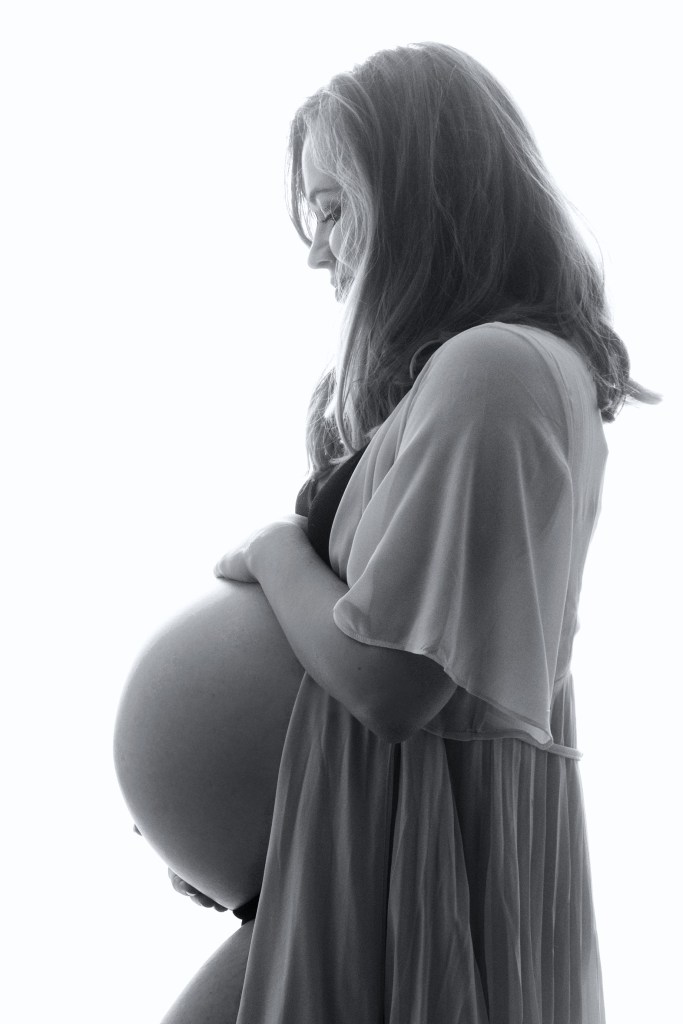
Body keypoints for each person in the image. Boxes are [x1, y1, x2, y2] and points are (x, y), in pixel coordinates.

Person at [162, 42, 662, 1023]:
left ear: (425, 195)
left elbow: (393, 682)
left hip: (401, 872)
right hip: (352, 850)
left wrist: (271, 548)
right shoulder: (472, 374)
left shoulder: (498, 371)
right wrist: (233, 820)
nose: (315, 251)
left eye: (334, 208)